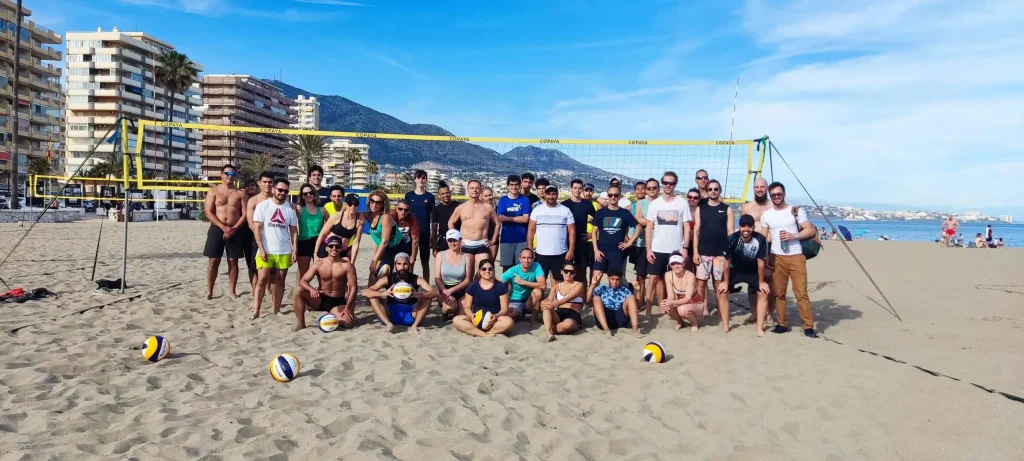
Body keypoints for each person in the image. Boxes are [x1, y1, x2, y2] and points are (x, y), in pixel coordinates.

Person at [761, 182, 817, 337]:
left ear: (784, 194)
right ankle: (782, 323)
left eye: (779, 194)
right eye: (773, 195)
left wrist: (794, 236)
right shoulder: (767, 215)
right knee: (779, 293)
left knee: (801, 292)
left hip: (796, 255)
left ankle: (808, 326)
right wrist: (764, 257)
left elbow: (809, 229)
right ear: (770, 196)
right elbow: (764, 237)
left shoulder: (795, 211)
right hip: (776, 256)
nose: (776, 197)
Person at [644, 171, 692, 317]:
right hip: (657, 248)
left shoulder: (682, 203)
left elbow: (687, 227)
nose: (668, 185)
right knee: (653, 279)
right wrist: (648, 249)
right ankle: (647, 310)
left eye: (671, 183)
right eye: (665, 182)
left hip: (676, 249)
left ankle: (671, 309)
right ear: (662, 184)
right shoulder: (655, 204)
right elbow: (648, 227)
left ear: (675, 184)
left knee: (674, 279)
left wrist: (685, 248)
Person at [252, 178, 298, 319]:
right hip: (266, 249)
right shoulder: (263, 206)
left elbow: (293, 231)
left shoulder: (290, 209)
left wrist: (295, 249)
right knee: (262, 279)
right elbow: (257, 229)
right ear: (274, 189)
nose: (282, 193)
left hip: (284, 251)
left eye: (285, 191)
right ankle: (256, 310)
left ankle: (276, 309)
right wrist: (261, 248)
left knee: (280, 280)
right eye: (280, 190)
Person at [693, 179, 735, 331]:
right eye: (710, 189)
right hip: (704, 252)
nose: (713, 191)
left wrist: (730, 253)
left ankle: (721, 310)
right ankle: (703, 309)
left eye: (716, 189)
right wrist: (696, 252)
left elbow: (731, 232)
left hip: (720, 254)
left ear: (720, 190)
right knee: (701, 283)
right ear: (707, 191)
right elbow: (696, 231)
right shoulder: (701, 208)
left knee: (719, 284)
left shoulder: (727, 209)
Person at [292, 236, 357, 331]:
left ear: (341, 248)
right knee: (298, 290)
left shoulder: (347, 266)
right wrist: (311, 289)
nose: (334, 248)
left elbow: (353, 288)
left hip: (337, 301)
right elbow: (303, 281)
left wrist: (348, 307)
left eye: (337, 246)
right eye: (331, 246)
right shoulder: (319, 264)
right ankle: (301, 324)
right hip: (320, 298)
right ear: (326, 248)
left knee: (348, 324)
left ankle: (332, 316)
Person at [203, 164, 248, 300]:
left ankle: (232, 291)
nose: (229, 176)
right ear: (221, 175)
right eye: (227, 173)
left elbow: (245, 214)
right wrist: (223, 227)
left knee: (233, 260)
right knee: (213, 260)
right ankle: (209, 290)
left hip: (235, 229)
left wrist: (234, 228)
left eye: (232, 174)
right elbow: (208, 212)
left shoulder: (241, 193)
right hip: (217, 228)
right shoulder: (213, 191)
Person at [363, 252, 436, 334]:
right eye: (399, 264)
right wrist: (382, 293)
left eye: (405, 264)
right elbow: (365, 292)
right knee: (373, 297)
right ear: (395, 265)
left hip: (411, 314)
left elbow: (435, 292)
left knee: (427, 299)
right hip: (390, 314)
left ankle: (415, 326)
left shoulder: (416, 278)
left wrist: (421, 295)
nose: (402, 267)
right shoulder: (388, 278)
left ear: (409, 265)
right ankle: (389, 325)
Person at [725, 215, 770, 336]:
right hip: (736, 270)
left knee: (764, 292)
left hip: (752, 271)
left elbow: (761, 263)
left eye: (749, 226)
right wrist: (725, 281)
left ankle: (759, 327)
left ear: (754, 227)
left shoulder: (760, 239)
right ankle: (725, 325)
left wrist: (761, 282)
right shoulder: (732, 239)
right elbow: (727, 262)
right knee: (721, 290)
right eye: (743, 226)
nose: (746, 229)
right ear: (738, 227)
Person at [591, 184, 642, 286]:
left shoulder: (624, 213)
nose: (613, 197)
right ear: (607, 196)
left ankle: (613, 301)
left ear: (619, 196)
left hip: (617, 253)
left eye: (615, 195)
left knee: (614, 282)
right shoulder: (601, 213)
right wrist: (596, 250)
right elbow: (593, 232)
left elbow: (639, 228)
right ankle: (594, 301)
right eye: (610, 195)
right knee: (595, 280)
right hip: (601, 252)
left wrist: (629, 243)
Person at [449, 180, 499, 281]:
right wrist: (457, 239)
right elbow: (450, 223)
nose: (474, 190)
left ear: (481, 190)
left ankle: (481, 295)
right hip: (466, 243)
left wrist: (493, 240)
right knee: (467, 276)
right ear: (468, 190)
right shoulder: (461, 207)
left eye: (477, 188)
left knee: (484, 273)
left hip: (482, 243)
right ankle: (468, 296)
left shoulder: (488, 207)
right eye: (472, 188)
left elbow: (498, 223)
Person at [453, 259, 515, 337]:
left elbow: (504, 309)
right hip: (476, 318)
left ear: (493, 270)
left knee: (509, 322)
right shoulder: (473, 286)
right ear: (480, 271)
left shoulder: (500, 287)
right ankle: (483, 334)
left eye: (490, 269)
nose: (487, 271)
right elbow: (467, 307)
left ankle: (476, 332)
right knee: (456, 320)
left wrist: (496, 316)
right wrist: (472, 315)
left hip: (494, 319)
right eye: (484, 269)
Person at [528, 184, 576, 283]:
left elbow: (572, 231)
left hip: (560, 253)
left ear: (557, 195)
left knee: (559, 283)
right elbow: (531, 231)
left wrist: (571, 250)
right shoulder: (537, 210)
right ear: (544, 194)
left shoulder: (565, 210)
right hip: (541, 254)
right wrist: (529, 249)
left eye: (553, 194)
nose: (551, 197)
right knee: (539, 284)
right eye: (548, 194)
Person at [561, 179, 596, 287]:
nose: (577, 190)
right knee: (567, 271)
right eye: (575, 188)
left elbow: (598, 220)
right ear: (571, 188)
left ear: (582, 189)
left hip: (582, 242)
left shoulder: (587, 204)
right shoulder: (564, 205)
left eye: (579, 188)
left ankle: (583, 299)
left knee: (581, 272)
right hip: (566, 242)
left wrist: (592, 234)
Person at [587, 271, 643, 338]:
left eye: (617, 279)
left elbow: (639, 307)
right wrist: (593, 285)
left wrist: (638, 291)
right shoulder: (602, 288)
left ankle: (635, 330)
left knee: (631, 297)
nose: (615, 282)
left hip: (620, 318)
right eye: (612, 279)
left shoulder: (625, 290)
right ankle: (606, 329)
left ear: (620, 280)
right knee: (596, 298)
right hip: (603, 318)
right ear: (608, 279)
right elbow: (587, 301)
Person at [539, 263, 585, 341]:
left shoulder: (579, 285)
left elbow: (570, 297)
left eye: (571, 272)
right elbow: (549, 298)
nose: (568, 274)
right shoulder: (556, 286)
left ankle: (551, 328)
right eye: (566, 271)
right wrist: (544, 301)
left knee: (568, 324)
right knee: (546, 305)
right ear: (562, 271)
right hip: (558, 312)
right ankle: (548, 333)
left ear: (575, 273)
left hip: (573, 313)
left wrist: (556, 303)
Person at [246, 172, 276, 291]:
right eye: (265, 182)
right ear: (259, 183)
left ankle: (267, 290)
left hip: (274, 239)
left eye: (270, 182)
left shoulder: (278, 198)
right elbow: (250, 223)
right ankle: (255, 290)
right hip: (258, 238)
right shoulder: (254, 200)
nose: (267, 184)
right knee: (255, 267)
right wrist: (260, 238)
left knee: (272, 267)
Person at [498, 247, 546, 321]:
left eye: (529, 258)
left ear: (533, 259)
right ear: (520, 259)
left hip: (530, 302)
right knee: (507, 315)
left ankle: (533, 320)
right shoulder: (513, 270)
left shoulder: (536, 266)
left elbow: (543, 285)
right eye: (524, 258)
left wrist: (523, 282)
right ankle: (519, 314)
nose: (526, 261)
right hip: (515, 301)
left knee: (538, 292)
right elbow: (498, 282)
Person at [631, 179, 656, 315]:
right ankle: (639, 302)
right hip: (641, 244)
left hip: (658, 244)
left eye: (653, 188)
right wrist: (653, 223)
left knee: (658, 277)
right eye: (649, 188)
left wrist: (647, 223)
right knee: (640, 275)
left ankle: (659, 303)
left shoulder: (660, 203)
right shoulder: (639, 203)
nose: (650, 190)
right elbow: (637, 219)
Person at [496, 175, 531, 272]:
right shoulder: (503, 200)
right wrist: (517, 218)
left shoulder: (525, 200)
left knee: (521, 268)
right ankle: (507, 288)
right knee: (507, 269)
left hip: (521, 239)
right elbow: (501, 219)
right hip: (506, 239)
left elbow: (525, 219)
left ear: (520, 186)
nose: (514, 187)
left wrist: (508, 218)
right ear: (508, 186)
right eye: (511, 184)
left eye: (516, 184)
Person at [366, 190, 402, 285]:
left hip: (398, 248)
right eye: (372, 201)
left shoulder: (385, 217)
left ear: (383, 204)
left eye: (378, 203)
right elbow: (357, 214)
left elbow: (385, 241)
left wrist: (374, 260)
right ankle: (371, 297)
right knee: (374, 272)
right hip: (385, 248)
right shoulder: (368, 215)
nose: (374, 204)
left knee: (396, 275)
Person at [660, 253, 704, 331]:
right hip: (681, 302)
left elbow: (688, 298)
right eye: (673, 264)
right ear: (670, 265)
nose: (676, 266)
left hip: (695, 303)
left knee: (682, 310)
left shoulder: (690, 276)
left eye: (678, 263)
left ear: (683, 263)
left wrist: (672, 302)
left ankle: (694, 323)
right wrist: (667, 302)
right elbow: (670, 295)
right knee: (667, 307)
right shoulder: (668, 275)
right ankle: (680, 322)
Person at [434, 229, 471, 320]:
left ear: (460, 240)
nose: (452, 243)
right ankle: (444, 311)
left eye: (455, 240)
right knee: (450, 308)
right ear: (447, 241)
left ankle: (456, 310)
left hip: (459, 289)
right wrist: (445, 291)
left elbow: (467, 280)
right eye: (450, 241)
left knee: (462, 315)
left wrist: (452, 290)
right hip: (444, 288)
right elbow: (437, 278)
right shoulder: (440, 255)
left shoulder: (466, 257)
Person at [314, 193, 363, 261]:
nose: (353, 206)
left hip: (342, 250)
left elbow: (356, 243)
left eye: (356, 204)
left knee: (346, 269)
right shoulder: (336, 216)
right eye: (350, 203)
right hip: (328, 247)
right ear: (345, 204)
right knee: (323, 270)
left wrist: (352, 262)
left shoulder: (359, 221)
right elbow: (322, 235)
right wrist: (315, 253)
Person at [405, 170, 435, 278]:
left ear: (426, 180)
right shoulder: (408, 196)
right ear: (415, 179)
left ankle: (426, 287)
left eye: (423, 178)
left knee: (425, 261)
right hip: (411, 233)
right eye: (419, 178)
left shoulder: (430, 197)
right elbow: (404, 214)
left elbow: (433, 218)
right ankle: (408, 283)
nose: (421, 180)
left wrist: (432, 236)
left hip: (425, 233)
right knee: (410, 260)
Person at [295, 183, 326, 279]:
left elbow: (332, 224)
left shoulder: (322, 210)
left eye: (310, 193)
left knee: (321, 272)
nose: (308, 195)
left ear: (314, 194)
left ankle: (322, 292)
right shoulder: (299, 209)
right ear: (302, 196)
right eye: (305, 194)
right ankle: (300, 293)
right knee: (303, 273)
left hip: (318, 242)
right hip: (303, 242)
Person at [430, 181, 461, 257]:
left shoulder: (458, 206)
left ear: (450, 193)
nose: (445, 195)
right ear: (439, 196)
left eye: (447, 193)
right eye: (442, 194)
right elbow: (434, 230)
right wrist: (434, 248)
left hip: (457, 240)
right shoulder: (436, 209)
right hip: (443, 241)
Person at [391, 199, 421, 272]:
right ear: (396, 209)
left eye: (406, 210)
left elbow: (415, 241)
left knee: (408, 269)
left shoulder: (413, 219)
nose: (403, 212)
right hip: (392, 245)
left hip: (406, 245)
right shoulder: (391, 217)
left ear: (409, 211)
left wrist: (413, 257)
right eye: (400, 209)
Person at [482, 186, 500, 261]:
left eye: (490, 195)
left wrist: (493, 239)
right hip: (481, 239)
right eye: (486, 196)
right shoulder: (479, 208)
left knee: (491, 263)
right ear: (482, 196)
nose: (488, 198)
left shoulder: (498, 208)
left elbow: (498, 224)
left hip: (493, 238)